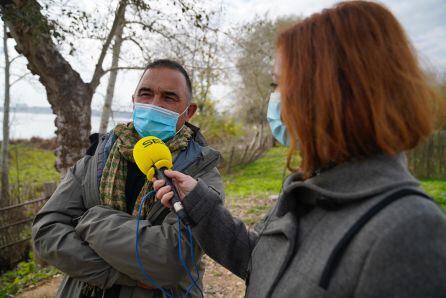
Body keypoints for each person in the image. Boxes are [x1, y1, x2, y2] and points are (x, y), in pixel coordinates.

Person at [154, 2, 446, 297]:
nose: (274, 99)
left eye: (281, 84)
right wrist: (199, 202)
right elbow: (264, 265)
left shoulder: (409, 232)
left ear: (335, 93)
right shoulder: (311, 186)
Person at [32, 59, 224, 297]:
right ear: (134, 100)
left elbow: (170, 260)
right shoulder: (95, 158)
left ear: (190, 111)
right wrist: (116, 276)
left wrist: (92, 220)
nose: (154, 104)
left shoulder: (202, 173)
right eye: (146, 94)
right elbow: (46, 231)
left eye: (169, 97)